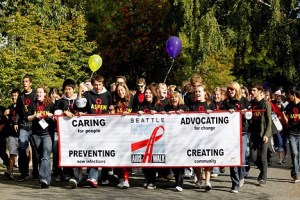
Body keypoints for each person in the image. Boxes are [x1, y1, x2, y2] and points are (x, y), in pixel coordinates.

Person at [76, 75, 113, 188]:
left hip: (105, 129)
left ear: (103, 84)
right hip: (91, 129)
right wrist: (80, 92)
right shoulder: (88, 94)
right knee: (93, 151)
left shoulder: (108, 95)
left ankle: (102, 177)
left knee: (103, 153)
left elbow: (111, 109)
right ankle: (93, 177)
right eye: (95, 84)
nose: (97, 87)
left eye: (99, 84)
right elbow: (80, 105)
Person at [221, 82, 250, 193]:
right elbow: (220, 116)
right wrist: (227, 113)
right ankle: (235, 184)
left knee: (241, 159)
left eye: (232, 89)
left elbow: (249, 116)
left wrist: (243, 113)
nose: (230, 91)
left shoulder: (244, 100)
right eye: (229, 89)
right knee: (233, 159)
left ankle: (241, 175)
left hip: (242, 132)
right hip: (230, 134)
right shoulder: (225, 102)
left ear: (237, 90)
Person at [27, 86, 55, 188]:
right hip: (36, 134)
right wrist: (35, 116)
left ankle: (45, 180)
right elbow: (28, 118)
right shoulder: (32, 104)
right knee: (39, 157)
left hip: (47, 133)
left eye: (41, 92)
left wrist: (50, 115)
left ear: (44, 94)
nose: (39, 94)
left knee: (45, 156)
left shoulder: (50, 104)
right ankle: (43, 177)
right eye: (37, 92)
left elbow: (55, 117)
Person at [188, 85, 215, 192]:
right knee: (197, 159)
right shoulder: (192, 105)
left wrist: (212, 114)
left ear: (204, 93)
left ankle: (207, 181)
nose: (197, 94)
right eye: (196, 92)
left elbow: (218, 118)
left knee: (207, 159)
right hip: (195, 136)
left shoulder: (210, 104)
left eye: (199, 92)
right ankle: (198, 180)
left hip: (208, 136)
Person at [137, 86, 164, 189]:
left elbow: (164, 117)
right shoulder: (141, 105)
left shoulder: (159, 105)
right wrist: (138, 114)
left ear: (153, 94)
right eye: (146, 93)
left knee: (152, 160)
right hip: (143, 136)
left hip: (155, 138)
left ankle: (152, 181)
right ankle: (147, 178)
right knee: (144, 160)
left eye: (149, 93)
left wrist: (158, 114)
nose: (147, 94)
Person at [15, 74, 39, 181]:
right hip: (24, 126)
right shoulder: (20, 97)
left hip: (35, 126)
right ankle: (24, 173)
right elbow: (18, 112)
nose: (24, 83)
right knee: (22, 148)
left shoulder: (36, 95)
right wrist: (16, 122)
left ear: (30, 83)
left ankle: (36, 173)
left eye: (26, 81)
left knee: (36, 150)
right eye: (23, 82)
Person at [164, 91, 189, 192]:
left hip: (181, 138)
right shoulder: (167, 108)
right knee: (173, 161)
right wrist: (165, 114)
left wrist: (183, 114)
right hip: (170, 138)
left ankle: (179, 183)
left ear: (179, 99)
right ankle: (176, 181)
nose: (174, 99)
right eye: (172, 97)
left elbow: (190, 118)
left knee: (180, 161)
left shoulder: (184, 107)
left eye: (176, 97)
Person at [249, 84, 272, 186]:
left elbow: (269, 121)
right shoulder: (251, 103)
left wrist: (267, 134)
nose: (252, 92)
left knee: (263, 157)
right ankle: (263, 170)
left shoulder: (265, 104)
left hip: (264, 134)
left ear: (259, 92)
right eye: (251, 90)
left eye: (254, 90)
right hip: (254, 133)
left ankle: (263, 178)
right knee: (253, 156)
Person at [113, 82, 134, 188]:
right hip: (117, 132)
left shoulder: (132, 99)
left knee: (126, 156)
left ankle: (126, 178)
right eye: (118, 91)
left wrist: (130, 115)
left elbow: (137, 112)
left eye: (122, 90)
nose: (120, 92)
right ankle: (121, 178)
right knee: (119, 156)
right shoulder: (115, 101)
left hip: (129, 132)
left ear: (126, 90)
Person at [283, 85, 300, 183]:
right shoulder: (289, 106)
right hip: (292, 133)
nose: (288, 96)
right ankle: (296, 175)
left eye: (289, 94)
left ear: (293, 94)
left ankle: (294, 169)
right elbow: (287, 121)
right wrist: (284, 114)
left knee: (299, 155)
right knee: (294, 153)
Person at [4, 89, 21, 180]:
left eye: (16, 95)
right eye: (12, 95)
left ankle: (24, 172)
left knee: (23, 154)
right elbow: (7, 120)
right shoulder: (9, 107)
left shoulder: (22, 107)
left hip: (21, 133)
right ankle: (10, 171)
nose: (14, 97)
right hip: (12, 134)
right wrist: (6, 115)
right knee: (12, 153)